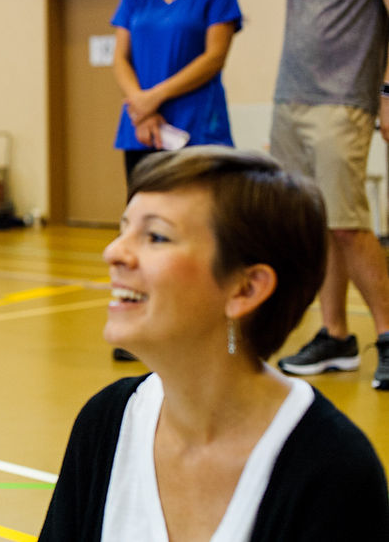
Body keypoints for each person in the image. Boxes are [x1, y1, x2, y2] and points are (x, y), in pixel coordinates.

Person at [38, 146, 389, 541]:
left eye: (155, 236)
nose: (113, 252)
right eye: (124, 229)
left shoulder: (333, 470)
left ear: (246, 288)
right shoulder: (106, 421)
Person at [229, 0, 389, 389]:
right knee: (315, 223)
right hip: (290, 101)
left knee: (347, 224)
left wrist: (388, 93)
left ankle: (388, 334)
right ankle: (335, 335)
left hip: (343, 101)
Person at [112, 0, 242, 182]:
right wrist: (142, 108)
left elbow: (214, 58)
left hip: (196, 126)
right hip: (141, 128)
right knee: (144, 206)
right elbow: (120, 58)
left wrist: (154, 98)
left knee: (199, 206)